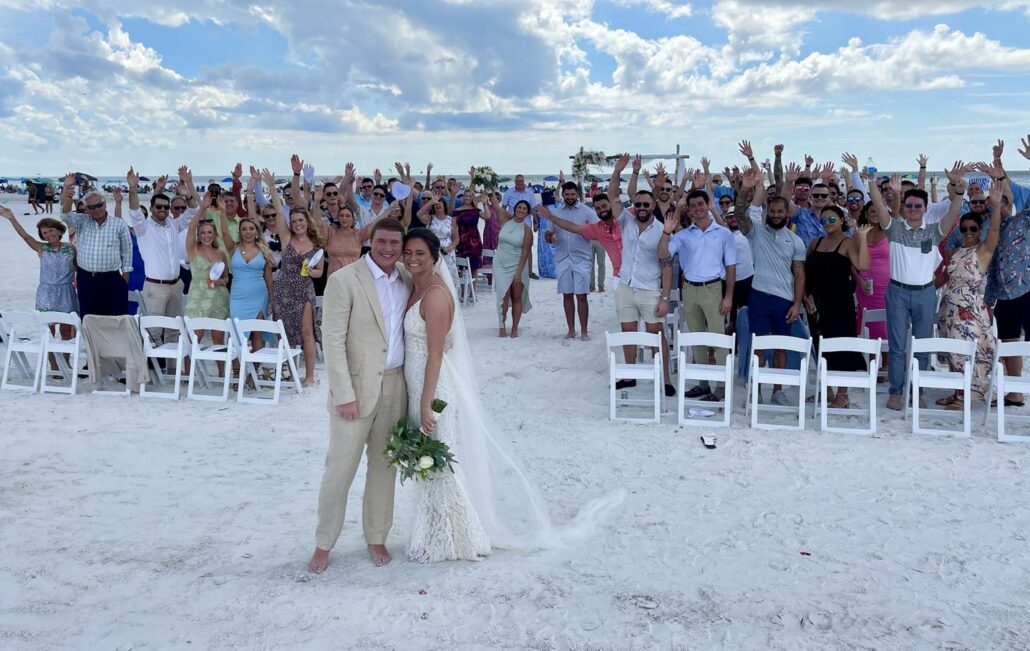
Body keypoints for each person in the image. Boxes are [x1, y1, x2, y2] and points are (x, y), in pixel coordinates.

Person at [309, 218, 411, 573]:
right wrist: (343, 395)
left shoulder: (407, 278)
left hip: (396, 386)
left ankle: (376, 535)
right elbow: (333, 342)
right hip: (353, 389)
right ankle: (324, 543)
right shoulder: (344, 280)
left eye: (394, 244)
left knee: (384, 469)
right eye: (381, 242)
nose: (387, 249)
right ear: (371, 242)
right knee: (339, 471)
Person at [401, 228, 491, 563]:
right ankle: (437, 534)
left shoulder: (435, 295)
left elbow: (436, 354)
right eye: (407, 252)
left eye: (420, 254)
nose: (412, 259)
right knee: (429, 461)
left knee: (439, 459)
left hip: (435, 391)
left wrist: (426, 403)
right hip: (420, 385)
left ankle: (459, 538)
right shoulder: (417, 287)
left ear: (435, 256)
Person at [869, 164, 968, 411]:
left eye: (918, 206)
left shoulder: (934, 232)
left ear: (925, 209)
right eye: (909, 206)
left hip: (925, 292)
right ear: (904, 208)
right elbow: (879, 206)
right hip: (898, 292)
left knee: (922, 346)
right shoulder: (894, 229)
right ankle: (895, 391)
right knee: (897, 346)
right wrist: (872, 181)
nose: (913, 210)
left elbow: (954, 212)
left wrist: (957, 189)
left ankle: (917, 390)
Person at [736, 167, 807, 405]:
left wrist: (797, 304)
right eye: (773, 210)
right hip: (758, 297)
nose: (776, 214)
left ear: (787, 213)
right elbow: (740, 214)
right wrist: (746, 188)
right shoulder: (756, 232)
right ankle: (756, 389)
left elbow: (799, 274)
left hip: (784, 300)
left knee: (780, 347)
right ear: (768, 212)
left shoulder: (795, 240)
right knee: (758, 346)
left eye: (780, 211)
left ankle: (778, 389)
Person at [659, 189, 737, 401]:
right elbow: (663, 255)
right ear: (689, 209)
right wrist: (667, 232)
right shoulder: (682, 235)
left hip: (713, 288)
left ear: (707, 204)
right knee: (696, 338)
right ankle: (703, 384)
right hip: (689, 289)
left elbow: (731, 267)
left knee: (718, 339)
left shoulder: (723, 233)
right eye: (692, 206)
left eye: (700, 204)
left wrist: (728, 296)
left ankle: (721, 387)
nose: (697, 209)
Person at [935, 182, 1004, 409]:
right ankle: (958, 393)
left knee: (968, 353)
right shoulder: (957, 251)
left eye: (972, 229)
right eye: (964, 229)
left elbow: (994, 231)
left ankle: (967, 397)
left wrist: (994, 206)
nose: (968, 233)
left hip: (969, 310)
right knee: (954, 352)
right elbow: (945, 277)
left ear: (979, 230)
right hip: (949, 308)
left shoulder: (983, 250)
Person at [263, 169, 325, 388]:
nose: (298, 223)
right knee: (286, 335)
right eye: (294, 220)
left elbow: (319, 271)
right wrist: (271, 186)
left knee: (306, 333)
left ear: (307, 221)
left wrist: (310, 271)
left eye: (301, 220)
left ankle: (309, 376)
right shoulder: (286, 238)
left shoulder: (316, 245)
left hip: (304, 292)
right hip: (284, 291)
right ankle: (291, 372)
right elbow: (279, 212)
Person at [804, 206, 871, 408]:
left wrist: (863, 238)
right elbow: (806, 271)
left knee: (842, 348)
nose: (828, 222)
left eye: (832, 218)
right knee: (820, 345)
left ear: (841, 219)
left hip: (841, 304)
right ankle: (826, 391)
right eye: (824, 219)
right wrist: (805, 295)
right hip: (817, 304)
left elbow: (863, 265)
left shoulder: (847, 242)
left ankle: (842, 394)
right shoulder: (815, 242)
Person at [127, 166, 198, 346]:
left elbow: (192, 212)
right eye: (158, 206)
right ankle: (150, 372)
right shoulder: (144, 228)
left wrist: (187, 193)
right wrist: (133, 189)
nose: (163, 209)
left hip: (175, 285)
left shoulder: (173, 225)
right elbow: (135, 212)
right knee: (153, 333)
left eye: (166, 207)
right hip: (155, 287)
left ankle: (172, 371)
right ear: (151, 208)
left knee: (174, 332)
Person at [59, 173, 133, 317]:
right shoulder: (81, 221)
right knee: (89, 318)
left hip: (112, 279)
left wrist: (124, 279)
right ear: (86, 209)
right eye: (92, 207)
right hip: (86, 279)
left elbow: (127, 251)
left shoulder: (118, 224)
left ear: (105, 204)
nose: (97, 209)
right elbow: (65, 215)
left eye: (99, 205)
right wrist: (67, 191)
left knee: (115, 318)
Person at [1, 209, 78, 330]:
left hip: (66, 291)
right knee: (48, 330)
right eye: (45, 233)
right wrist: (12, 218)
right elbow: (26, 237)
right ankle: (49, 350)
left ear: (59, 231)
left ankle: (66, 350)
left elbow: (78, 267)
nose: (48, 234)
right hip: (46, 292)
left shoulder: (71, 248)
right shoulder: (41, 248)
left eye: (51, 230)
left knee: (66, 330)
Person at [547, 181, 598, 340]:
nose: (570, 197)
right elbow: (547, 235)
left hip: (582, 258)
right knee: (567, 295)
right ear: (562, 195)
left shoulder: (587, 212)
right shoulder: (555, 212)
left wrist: (587, 233)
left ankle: (584, 331)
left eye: (572, 194)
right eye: (567, 194)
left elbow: (597, 232)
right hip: (562, 257)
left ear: (577, 194)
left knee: (581, 295)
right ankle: (571, 330)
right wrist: (551, 237)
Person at [486, 195, 533, 337]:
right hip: (500, 263)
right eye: (519, 207)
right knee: (502, 295)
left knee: (517, 296)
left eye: (524, 209)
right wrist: (487, 182)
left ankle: (514, 328)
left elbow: (525, 252)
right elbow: (495, 203)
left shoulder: (527, 231)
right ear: (515, 208)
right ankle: (502, 326)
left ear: (527, 213)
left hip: (518, 265)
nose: (521, 210)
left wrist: (519, 272)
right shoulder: (505, 220)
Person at [227, 215, 274, 351]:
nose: (248, 232)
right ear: (240, 232)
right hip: (237, 297)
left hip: (259, 296)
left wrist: (272, 299)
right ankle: (237, 370)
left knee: (257, 332)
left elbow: (269, 278)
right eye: (244, 229)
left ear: (256, 231)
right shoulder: (233, 248)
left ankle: (254, 369)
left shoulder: (264, 250)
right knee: (237, 333)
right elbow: (224, 231)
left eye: (251, 229)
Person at [854, 200, 890, 343]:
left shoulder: (890, 232)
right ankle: (869, 361)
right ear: (866, 214)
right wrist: (859, 281)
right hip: (865, 287)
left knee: (885, 325)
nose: (876, 214)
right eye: (873, 211)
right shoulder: (858, 234)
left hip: (887, 287)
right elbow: (852, 263)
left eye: (879, 211)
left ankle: (886, 362)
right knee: (867, 325)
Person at [452, 187, 484, 279]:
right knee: (461, 267)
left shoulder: (476, 210)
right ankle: (462, 291)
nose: (468, 198)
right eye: (466, 196)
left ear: (473, 198)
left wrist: (485, 204)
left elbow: (487, 216)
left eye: (470, 196)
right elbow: (453, 227)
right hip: (461, 240)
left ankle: (472, 292)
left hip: (475, 241)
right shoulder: (457, 211)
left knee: (474, 266)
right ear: (463, 197)